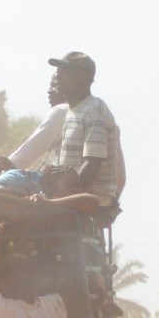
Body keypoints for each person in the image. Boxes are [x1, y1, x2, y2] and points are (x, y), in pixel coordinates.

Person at [48, 52, 123, 209]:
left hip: (92, 196)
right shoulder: (73, 110)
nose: (59, 76)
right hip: (70, 191)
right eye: (58, 71)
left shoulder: (95, 110)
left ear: (84, 78)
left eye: (65, 71)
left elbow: (93, 163)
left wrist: (70, 195)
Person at [8, 77, 68, 169]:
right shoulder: (89, 108)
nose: (49, 91)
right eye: (50, 86)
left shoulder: (62, 110)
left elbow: (23, 157)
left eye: (55, 85)